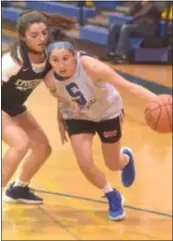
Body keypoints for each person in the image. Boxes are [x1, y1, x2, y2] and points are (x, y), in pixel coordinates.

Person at [44, 39, 157, 220]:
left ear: (74, 56)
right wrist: (60, 116)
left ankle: (126, 159)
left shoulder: (92, 67)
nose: (61, 64)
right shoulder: (50, 80)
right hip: (78, 115)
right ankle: (112, 195)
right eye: (55, 60)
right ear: (49, 62)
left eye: (65, 58)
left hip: (107, 113)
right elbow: (59, 93)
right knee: (84, 163)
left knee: (113, 164)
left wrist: (158, 100)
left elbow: (129, 86)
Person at [2, 10, 75, 204]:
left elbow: (56, 89)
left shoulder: (49, 56)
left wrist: (61, 118)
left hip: (15, 107)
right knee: (20, 144)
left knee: (43, 148)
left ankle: (19, 189)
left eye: (44, 33)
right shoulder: (13, 61)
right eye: (34, 35)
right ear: (24, 38)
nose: (41, 38)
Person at [100, 1, 169, 64]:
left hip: (148, 28)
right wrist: (139, 3)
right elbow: (129, 13)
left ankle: (120, 55)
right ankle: (110, 53)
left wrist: (149, 2)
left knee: (126, 28)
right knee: (114, 27)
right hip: (136, 25)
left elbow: (161, 7)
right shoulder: (141, 3)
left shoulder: (159, 3)